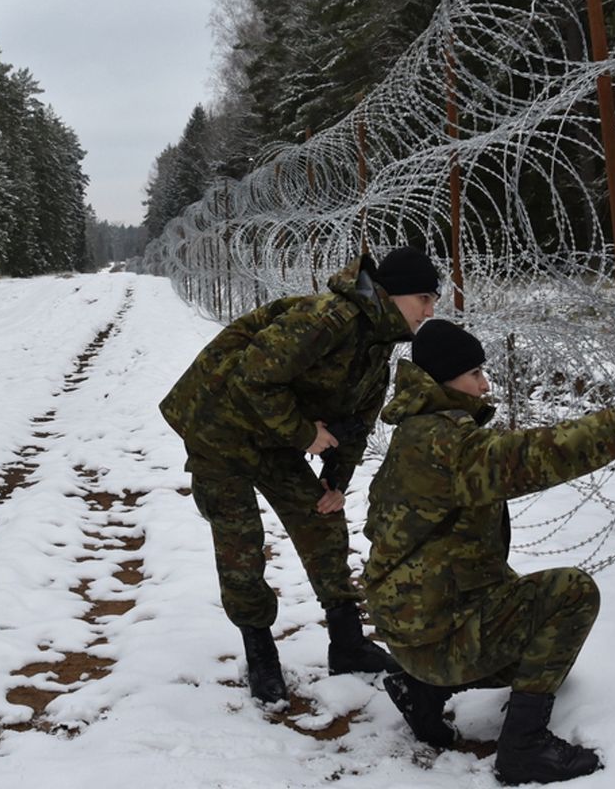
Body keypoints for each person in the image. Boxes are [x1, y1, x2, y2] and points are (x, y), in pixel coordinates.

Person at [363, 320, 615, 784]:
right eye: (474, 373)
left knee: (519, 608)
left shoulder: (418, 432)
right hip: (433, 639)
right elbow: (537, 455)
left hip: (413, 629)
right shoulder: (449, 443)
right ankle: (523, 747)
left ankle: (419, 689)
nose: (484, 384)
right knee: (569, 595)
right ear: (444, 379)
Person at [159, 247, 441, 706]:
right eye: (424, 298)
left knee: (320, 520)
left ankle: (347, 643)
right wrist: (304, 433)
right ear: (392, 295)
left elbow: (359, 417)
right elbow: (252, 377)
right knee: (240, 541)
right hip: (218, 427)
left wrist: (337, 479)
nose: (430, 311)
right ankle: (260, 651)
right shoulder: (328, 319)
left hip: (272, 434)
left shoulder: (376, 343)